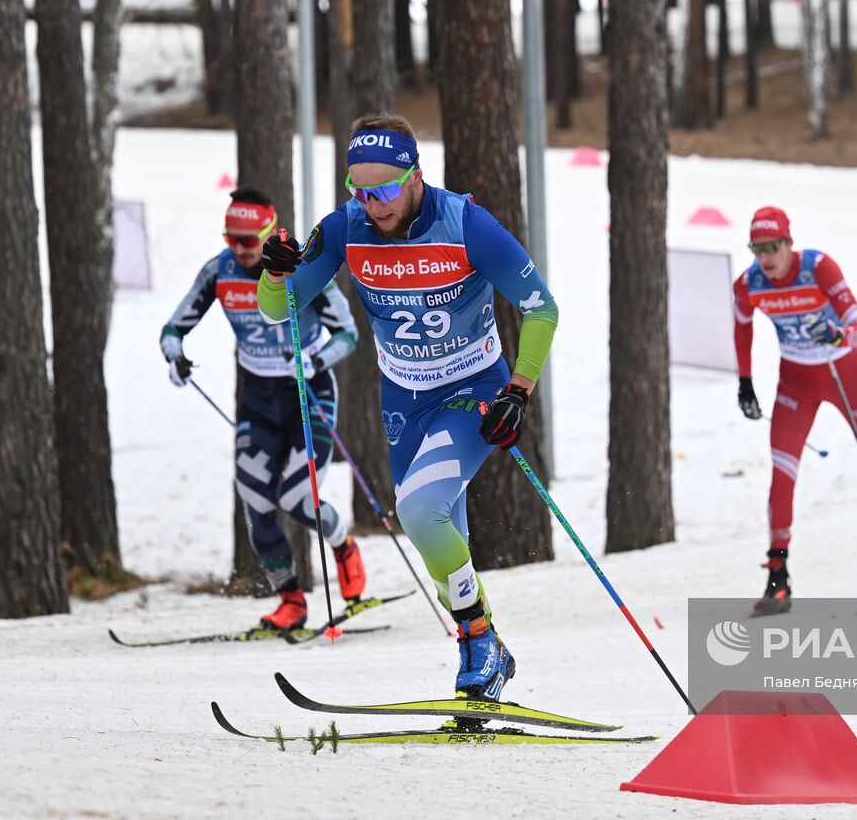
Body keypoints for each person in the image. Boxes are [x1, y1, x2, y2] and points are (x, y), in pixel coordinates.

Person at [255, 114, 558, 701]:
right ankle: (488, 652)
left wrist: (517, 391)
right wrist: (274, 271)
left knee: (419, 510)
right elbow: (280, 308)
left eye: (387, 189)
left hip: (472, 394)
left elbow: (542, 309)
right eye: (361, 191)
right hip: (402, 403)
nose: (375, 204)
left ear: (416, 174)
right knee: (439, 540)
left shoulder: (466, 223)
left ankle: (477, 641)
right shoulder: (345, 228)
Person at [160, 188, 365, 630]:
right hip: (258, 398)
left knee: (297, 498)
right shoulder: (220, 270)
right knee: (255, 498)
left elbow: (348, 334)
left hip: (309, 394)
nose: (239, 249)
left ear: (269, 233)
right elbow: (174, 326)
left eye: (249, 241)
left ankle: (344, 545)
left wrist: (314, 359)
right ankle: (291, 600)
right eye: (231, 238)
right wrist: (173, 354)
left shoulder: (304, 271)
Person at [732, 206, 857, 614]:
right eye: (757, 248)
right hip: (796, 381)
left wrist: (837, 336)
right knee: (782, 473)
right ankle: (778, 577)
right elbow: (742, 326)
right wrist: (745, 382)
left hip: (843, 373)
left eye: (773, 247)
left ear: (789, 243)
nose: (766, 257)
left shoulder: (818, 268)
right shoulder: (748, 283)